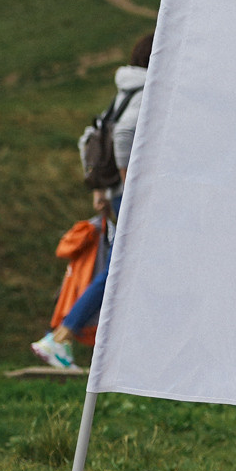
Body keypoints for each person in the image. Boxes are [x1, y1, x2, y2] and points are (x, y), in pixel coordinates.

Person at [31, 32, 151, 369]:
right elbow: (125, 134)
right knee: (117, 271)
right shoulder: (145, 92)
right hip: (127, 196)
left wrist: (100, 188)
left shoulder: (124, 91)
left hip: (114, 196)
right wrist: (130, 186)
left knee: (122, 270)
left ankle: (71, 340)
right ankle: (60, 337)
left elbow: (91, 136)